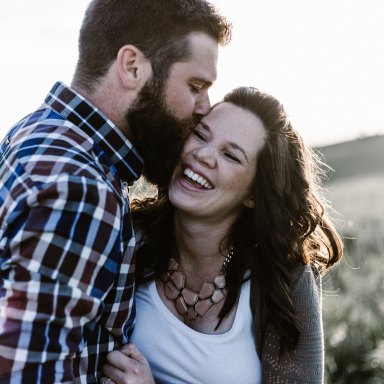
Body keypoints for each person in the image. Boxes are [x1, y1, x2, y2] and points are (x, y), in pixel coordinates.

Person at [0, 1, 231, 382]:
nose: (204, 107)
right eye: (195, 86)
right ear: (132, 66)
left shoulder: (36, 132)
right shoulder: (81, 188)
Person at [101, 87, 343, 384]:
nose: (203, 155)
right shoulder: (128, 236)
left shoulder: (284, 280)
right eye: (201, 135)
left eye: (230, 155)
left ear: (253, 194)